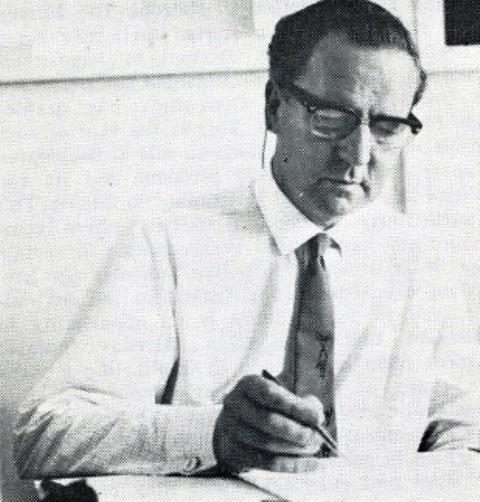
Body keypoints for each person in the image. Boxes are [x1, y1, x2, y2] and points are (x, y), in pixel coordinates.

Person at [14, 0, 480, 478]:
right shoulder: (169, 242)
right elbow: (43, 435)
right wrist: (212, 434)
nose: (358, 155)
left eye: (387, 127)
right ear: (274, 108)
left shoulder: (422, 258)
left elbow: (467, 430)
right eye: (330, 117)